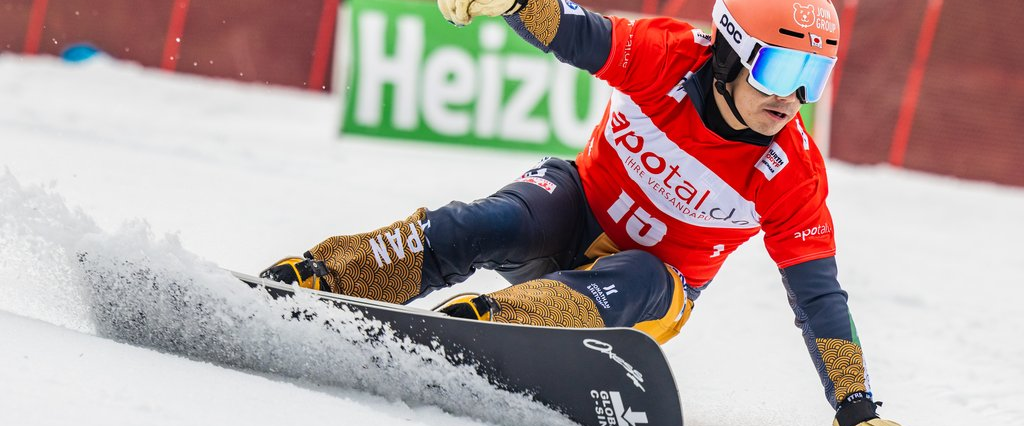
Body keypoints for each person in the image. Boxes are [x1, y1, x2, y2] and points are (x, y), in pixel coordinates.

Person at [263, 0, 901, 425]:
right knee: (487, 224)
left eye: (813, 79)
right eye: (783, 67)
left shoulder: (790, 171)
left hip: (648, 291)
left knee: (645, 275)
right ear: (729, 54)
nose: (793, 98)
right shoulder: (669, 57)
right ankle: (320, 277)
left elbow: (819, 297)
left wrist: (857, 407)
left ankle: (490, 326)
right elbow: (574, 32)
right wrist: (516, 2)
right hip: (574, 208)